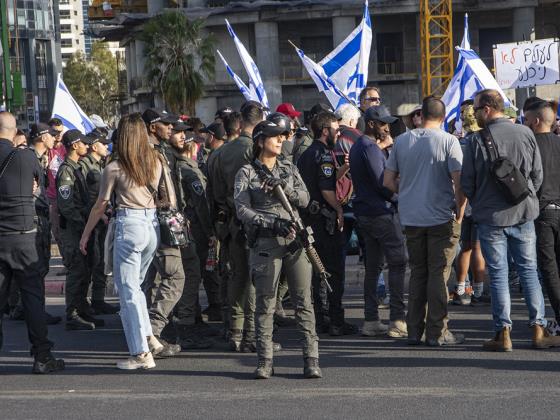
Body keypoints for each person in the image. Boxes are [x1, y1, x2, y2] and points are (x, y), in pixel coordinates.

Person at [460, 89, 560, 351]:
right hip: (524, 213)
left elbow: (467, 184)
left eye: (477, 110)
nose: (475, 115)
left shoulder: (475, 140)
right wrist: (524, 197)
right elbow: (537, 176)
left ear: (487, 109)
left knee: (499, 274)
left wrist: (482, 200)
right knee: (529, 271)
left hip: (491, 217)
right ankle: (538, 330)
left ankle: (503, 333)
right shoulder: (526, 132)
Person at [234, 120, 321, 379]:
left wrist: (284, 188)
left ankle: (311, 359)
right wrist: (272, 222)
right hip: (266, 243)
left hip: (295, 241)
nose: (281, 140)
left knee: (304, 302)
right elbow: (242, 210)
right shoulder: (247, 173)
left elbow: (305, 199)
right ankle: (265, 360)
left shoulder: (289, 167)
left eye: (283, 136)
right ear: (261, 140)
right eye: (275, 136)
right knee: (266, 304)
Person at [79, 113, 164, 370]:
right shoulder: (156, 161)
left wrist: (85, 235)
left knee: (127, 291)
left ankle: (140, 353)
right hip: (152, 226)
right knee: (136, 287)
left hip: (129, 225)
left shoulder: (114, 168)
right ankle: (149, 336)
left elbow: (100, 205)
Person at [384, 96, 466, 346]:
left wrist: (408, 190)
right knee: (439, 274)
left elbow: (388, 182)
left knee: (418, 273)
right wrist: (460, 211)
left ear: (421, 115)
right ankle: (437, 332)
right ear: (442, 117)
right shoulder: (449, 141)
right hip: (441, 216)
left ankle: (413, 331)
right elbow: (459, 182)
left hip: (411, 217)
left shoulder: (401, 141)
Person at [0, 112, 64, 374]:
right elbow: (41, 183)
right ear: (15, 131)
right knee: (33, 299)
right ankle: (42, 356)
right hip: (24, 236)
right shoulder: (25, 156)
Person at [350, 106, 408, 338]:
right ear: (371, 124)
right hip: (381, 213)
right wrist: (400, 198)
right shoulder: (370, 147)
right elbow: (383, 183)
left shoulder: (359, 146)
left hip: (366, 213)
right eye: (383, 123)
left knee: (373, 268)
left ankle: (371, 319)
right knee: (397, 263)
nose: (387, 127)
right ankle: (397, 320)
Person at [211, 101, 264, 352]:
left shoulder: (221, 152)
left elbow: (217, 192)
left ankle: (235, 330)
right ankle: (251, 335)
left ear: (241, 122)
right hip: (254, 221)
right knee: (253, 280)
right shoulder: (256, 150)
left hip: (230, 221)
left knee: (237, 277)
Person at [297, 111, 354, 336]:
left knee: (316, 272)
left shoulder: (309, 153)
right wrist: (339, 208)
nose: (338, 133)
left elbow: (324, 179)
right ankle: (336, 321)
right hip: (325, 222)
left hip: (311, 220)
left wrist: (344, 168)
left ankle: (320, 320)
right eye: (335, 130)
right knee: (332, 272)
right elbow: (326, 188)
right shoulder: (324, 154)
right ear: (325, 131)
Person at [168, 120, 215, 350]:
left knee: (188, 272)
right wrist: (210, 231)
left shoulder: (180, 164)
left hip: (183, 225)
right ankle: (186, 324)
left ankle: (192, 319)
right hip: (184, 226)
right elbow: (201, 204)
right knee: (190, 273)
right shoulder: (187, 168)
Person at [141, 108, 184, 358]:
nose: (171, 128)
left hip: (160, 222)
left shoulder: (157, 151)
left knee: (155, 280)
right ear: (151, 127)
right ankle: (153, 333)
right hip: (158, 222)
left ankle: (151, 332)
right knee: (175, 276)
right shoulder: (148, 154)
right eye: (165, 124)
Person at [57, 129, 105, 330]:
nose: (87, 146)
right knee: (76, 271)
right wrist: (82, 225)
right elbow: (67, 206)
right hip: (74, 229)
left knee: (86, 270)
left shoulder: (77, 168)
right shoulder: (66, 170)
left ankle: (82, 309)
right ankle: (72, 314)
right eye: (83, 143)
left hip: (83, 226)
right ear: (74, 145)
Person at [524, 100, 560, 336]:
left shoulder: (530, 145)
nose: (524, 124)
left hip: (542, 210)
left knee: (548, 268)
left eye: (526, 120)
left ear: (536, 121)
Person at [451, 101, 487, 307]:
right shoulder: (484, 143)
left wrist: (459, 208)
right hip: (481, 202)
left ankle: (461, 289)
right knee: (478, 248)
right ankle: (478, 291)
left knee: (465, 248)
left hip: (463, 203)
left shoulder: (461, 144)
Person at [79, 129, 118, 315]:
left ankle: (98, 299)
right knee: (92, 262)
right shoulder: (86, 166)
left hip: (102, 220)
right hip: (92, 220)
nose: (106, 146)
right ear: (95, 146)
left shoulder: (101, 164)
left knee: (100, 260)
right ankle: (87, 302)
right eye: (103, 143)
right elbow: (87, 198)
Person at [46, 118, 66, 272]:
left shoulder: (67, 147)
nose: (58, 135)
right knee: (57, 232)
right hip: (52, 197)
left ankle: (73, 263)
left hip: (67, 196)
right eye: (54, 132)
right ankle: (66, 262)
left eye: (60, 131)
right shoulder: (47, 150)